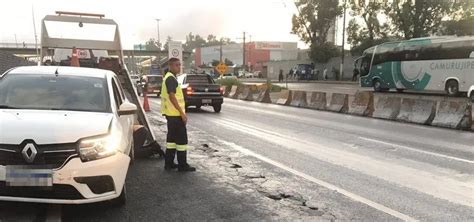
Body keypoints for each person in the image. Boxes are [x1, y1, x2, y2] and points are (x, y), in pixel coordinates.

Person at [161, 58, 196, 172]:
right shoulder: (171, 79)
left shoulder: (168, 77)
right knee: (181, 141)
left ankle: (169, 163)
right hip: (175, 115)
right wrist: (182, 113)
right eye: (176, 65)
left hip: (170, 115)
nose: (179, 67)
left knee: (171, 141)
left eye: (180, 65)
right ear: (170, 66)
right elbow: (172, 97)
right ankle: (182, 165)